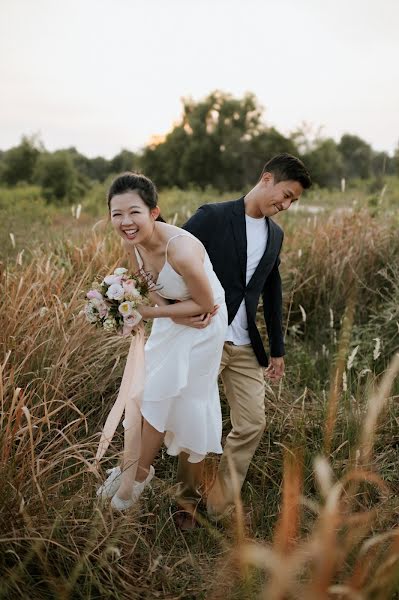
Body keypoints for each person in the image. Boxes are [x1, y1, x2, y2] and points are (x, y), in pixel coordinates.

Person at [174, 153, 312, 525]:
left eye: (291, 202)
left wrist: (277, 350)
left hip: (246, 345)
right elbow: (174, 258)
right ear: (266, 178)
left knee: (252, 422)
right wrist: (182, 306)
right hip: (205, 338)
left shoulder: (275, 235)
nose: (284, 205)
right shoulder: (213, 216)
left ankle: (218, 506)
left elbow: (272, 289)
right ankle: (185, 501)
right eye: (284, 195)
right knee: (194, 418)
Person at [96, 173, 227, 511]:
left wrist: (149, 313)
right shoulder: (132, 242)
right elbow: (150, 283)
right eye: (117, 214)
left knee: (159, 396)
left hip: (204, 325)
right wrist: (165, 311)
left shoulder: (181, 250)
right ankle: (131, 468)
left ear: (154, 212)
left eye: (134, 212)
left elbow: (204, 303)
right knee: (144, 392)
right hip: (174, 317)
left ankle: (135, 481)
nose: (126, 222)